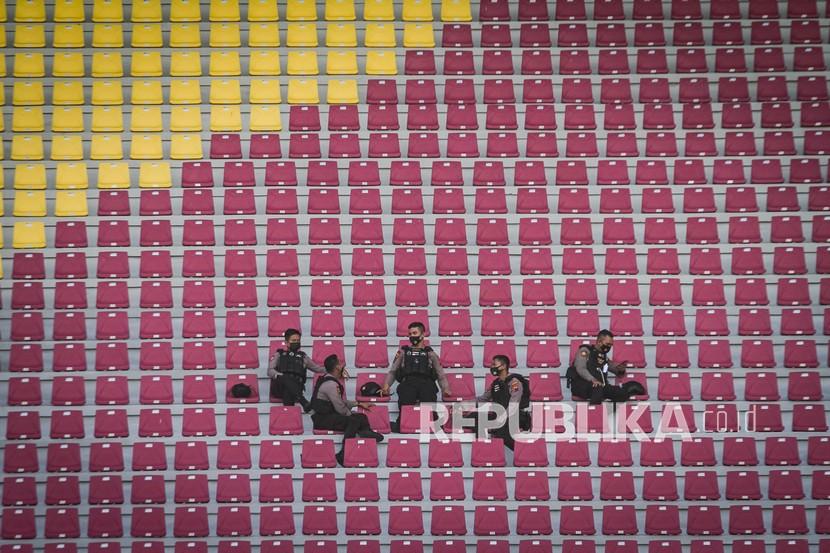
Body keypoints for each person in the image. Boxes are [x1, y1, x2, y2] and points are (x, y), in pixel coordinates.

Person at [310, 354, 384, 466]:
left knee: (361, 416)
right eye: (340, 363)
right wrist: (352, 415)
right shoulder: (331, 384)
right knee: (353, 420)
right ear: (337, 368)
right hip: (322, 419)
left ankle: (365, 432)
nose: (342, 365)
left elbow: (340, 401)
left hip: (328, 416)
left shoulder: (330, 380)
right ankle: (343, 453)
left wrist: (358, 403)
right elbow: (340, 408)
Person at [381, 322, 451, 433]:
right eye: (410, 334)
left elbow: (440, 374)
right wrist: (386, 386)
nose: (412, 336)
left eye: (415, 333)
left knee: (429, 398)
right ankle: (402, 424)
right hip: (408, 382)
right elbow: (393, 371)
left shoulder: (430, 353)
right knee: (405, 399)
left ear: (422, 335)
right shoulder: (403, 352)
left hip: (426, 382)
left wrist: (445, 388)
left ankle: (434, 423)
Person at [566, 329, 637, 405]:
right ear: (599, 341)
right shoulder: (585, 351)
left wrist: (621, 369)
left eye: (611, 345)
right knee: (598, 388)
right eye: (608, 344)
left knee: (621, 393)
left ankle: (611, 412)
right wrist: (593, 379)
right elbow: (580, 368)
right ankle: (594, 413)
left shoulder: (603, 357)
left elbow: (616, 371)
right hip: (581, 386)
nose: (609, 347)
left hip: (599, 386)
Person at [476, 355, 531, 450]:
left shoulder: (514, 382)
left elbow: (513, 405)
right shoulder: (496, 383)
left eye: (494, 364)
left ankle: (524, 453)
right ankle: (483, 450)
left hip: (515, 416)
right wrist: (463, 405)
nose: (491, 367)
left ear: (503, 366)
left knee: (500, 430)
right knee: (474, 418)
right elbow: (483, 399)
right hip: (500, 415)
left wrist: (500, 419)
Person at [267, 328, 324, 412]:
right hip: (279, 387)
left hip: (296, 387)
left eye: (298, 340)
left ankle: (289, 418)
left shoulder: (303, 357)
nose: (296, 342)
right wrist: (281, 376)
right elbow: (270, 371)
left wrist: (337, 369)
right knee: (286, 379)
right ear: (286, 342)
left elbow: (318, 369)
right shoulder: (279, 354)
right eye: (293, 340)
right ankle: (303, 401)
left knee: (288, 390)